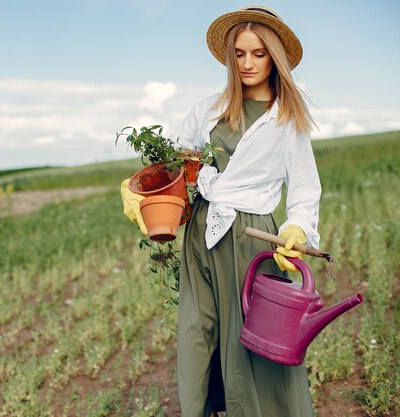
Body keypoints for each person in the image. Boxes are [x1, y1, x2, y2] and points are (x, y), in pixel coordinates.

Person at [121, 5, 321, 417]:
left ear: (275, 58)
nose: (247, 63)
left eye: (258, 53)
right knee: (196, 331)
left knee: (246, 341)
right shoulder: (207, 109)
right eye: (239, 54)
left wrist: (297, 229)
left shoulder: (287, 121)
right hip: (202, 230)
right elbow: (174, 168)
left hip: (253, 239)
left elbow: (304, 192)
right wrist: (141, 191)